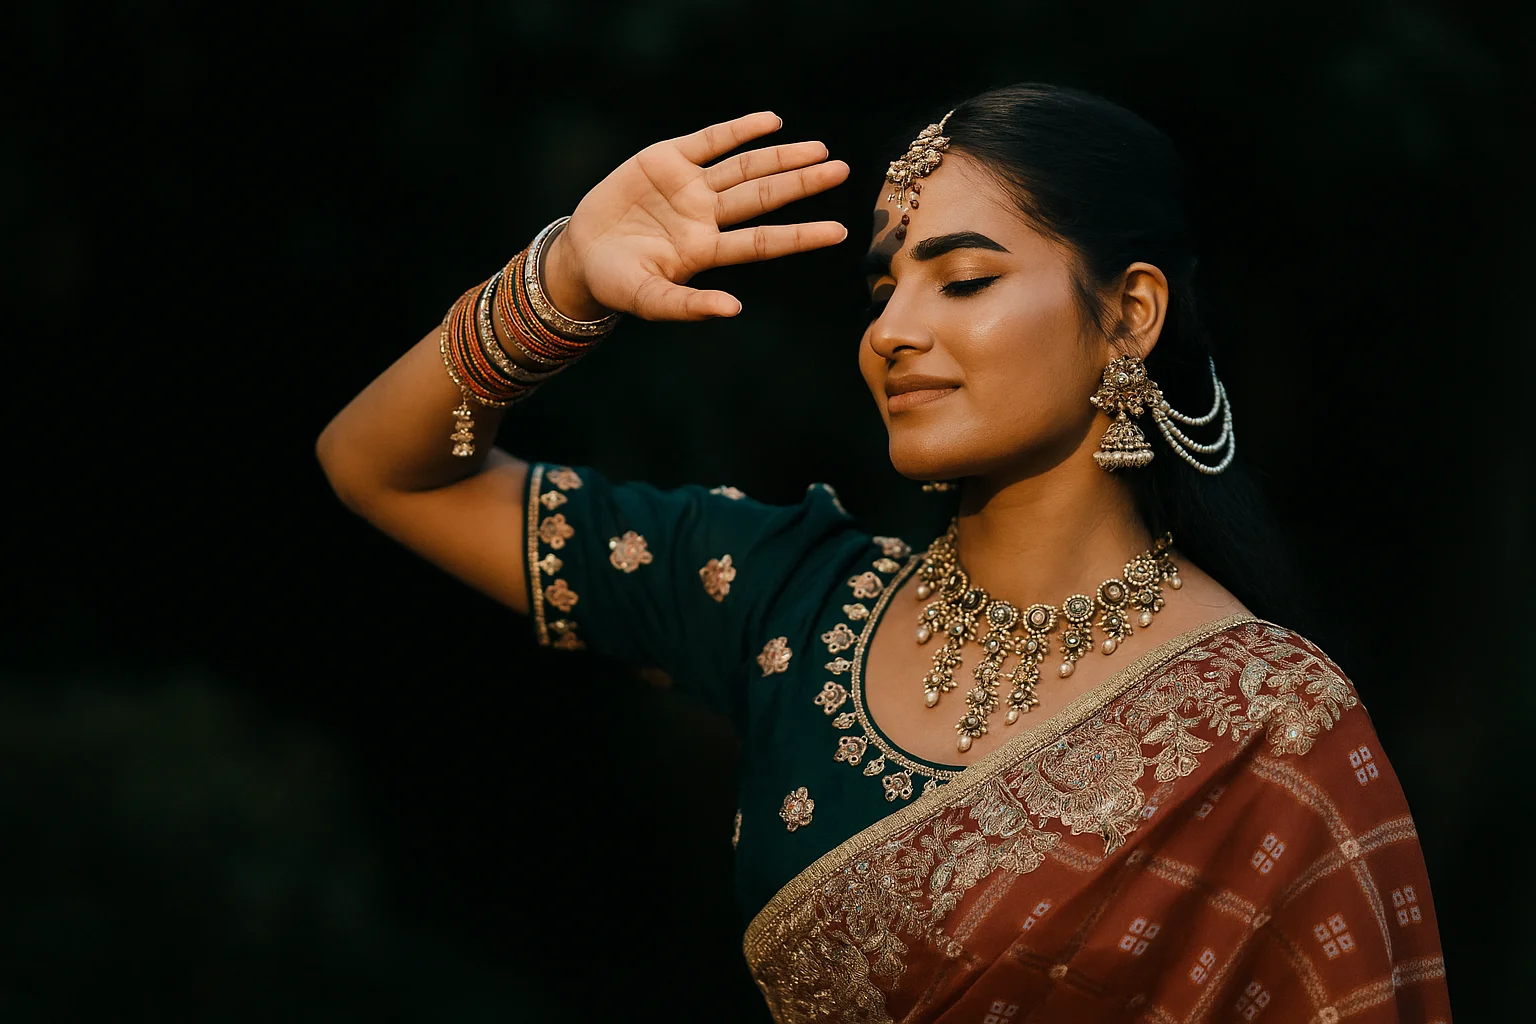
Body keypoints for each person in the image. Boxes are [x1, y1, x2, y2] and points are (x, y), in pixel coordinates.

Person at [316, 83, 1450, 1022]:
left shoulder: (1268, 726)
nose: (892, 329)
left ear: (1130, 313)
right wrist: (555, 284)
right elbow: (389, 463)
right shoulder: (786, 601)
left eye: (961, 279)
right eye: (883, 284)